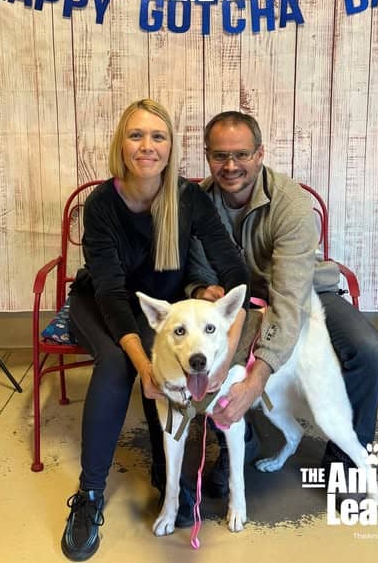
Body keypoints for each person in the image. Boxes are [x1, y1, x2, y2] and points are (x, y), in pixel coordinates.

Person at [61, 100, 250, 561]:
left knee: (172, 394)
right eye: (136, 135)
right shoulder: (103, 205)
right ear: (120, 144)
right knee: (117, 367)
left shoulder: (188, 199)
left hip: (161, 315)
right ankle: (88, 497)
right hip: (105, 305)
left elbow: (235, 271)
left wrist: (224, 353)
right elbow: (110, 294)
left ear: (171, 147)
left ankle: (172, 481)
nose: (147, 146)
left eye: (158, 136)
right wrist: (146, 366)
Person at [186, 111, 378, 500]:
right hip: (238, 302)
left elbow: (290, 296)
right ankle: (237, 444)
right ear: (207, 155)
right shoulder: (198, 203)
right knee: (212, 355)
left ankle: (345, 462)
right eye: (220, 156)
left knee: (370, 351)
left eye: (242, 154)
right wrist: (200, 291)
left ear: (260, 153)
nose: (231, 166)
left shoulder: (290, 202)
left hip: (305, 293)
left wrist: (259, 376)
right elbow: (196, 270)